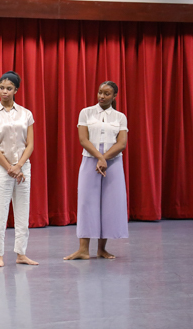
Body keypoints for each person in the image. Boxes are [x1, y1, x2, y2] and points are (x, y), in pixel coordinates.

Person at [64, 81, 129, 260]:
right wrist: (99, 158)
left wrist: (105, 158)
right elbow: (83, 139)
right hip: (90, 161)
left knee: (108, 204)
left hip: (113, 163)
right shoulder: (86, 113)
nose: (101, 96)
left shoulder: (120, 117)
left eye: (106, 93)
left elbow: (121, 143)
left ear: (114, 96)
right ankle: (83, 249)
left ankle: (102, 249)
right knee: (87, 202)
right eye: (100, 92)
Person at [0, 71, 38, 267]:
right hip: (1, 170)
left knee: (22, 212)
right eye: (1, 88)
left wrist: (19, 165)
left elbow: (30, 144)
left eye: (8, 88)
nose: (4, 91)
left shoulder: (26, 114)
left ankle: (21, 253)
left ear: (16, 90)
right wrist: (10, 168)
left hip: (23, 168)